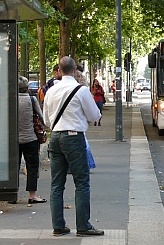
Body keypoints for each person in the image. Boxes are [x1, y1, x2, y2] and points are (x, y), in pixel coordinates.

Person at [43, 56, 103, 237]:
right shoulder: (81, 90)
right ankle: (83, 226)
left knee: (56, 184)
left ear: (59, 71)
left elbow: (47, 120)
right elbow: (94, 116)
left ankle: (58, 226)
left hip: (55, 137)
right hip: (74, 138)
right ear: (75, 70)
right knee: (82, 183)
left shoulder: (51, 91)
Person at [14, 76, 48, 204]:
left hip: (14, 140)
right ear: (27, 88)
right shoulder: (32, 99)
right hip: (30, 138)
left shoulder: (11, 99)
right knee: (32, 166)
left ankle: (13, 194)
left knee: (14, 167)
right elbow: (41, 116)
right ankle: (32, 195)